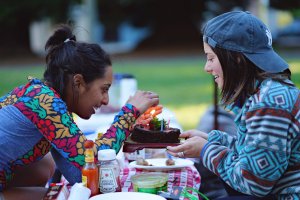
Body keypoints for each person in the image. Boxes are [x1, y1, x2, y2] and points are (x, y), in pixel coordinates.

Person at [0, 24, 159, 199]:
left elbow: (79, 175)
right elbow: (91, 163)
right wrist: (129, 114)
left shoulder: (44, 98)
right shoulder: (46, 103)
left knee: (47, 170)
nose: (106, 100)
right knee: (59, 194)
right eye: (104, 89)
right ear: (78, 82)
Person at [167, 11, 300, 199]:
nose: (207, 67)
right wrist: (212, 139)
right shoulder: (266, 92)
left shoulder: (269, 103)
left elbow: (254, 182)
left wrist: (206, 151)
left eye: (211, 58)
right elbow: (256, 154)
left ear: (236, 58)